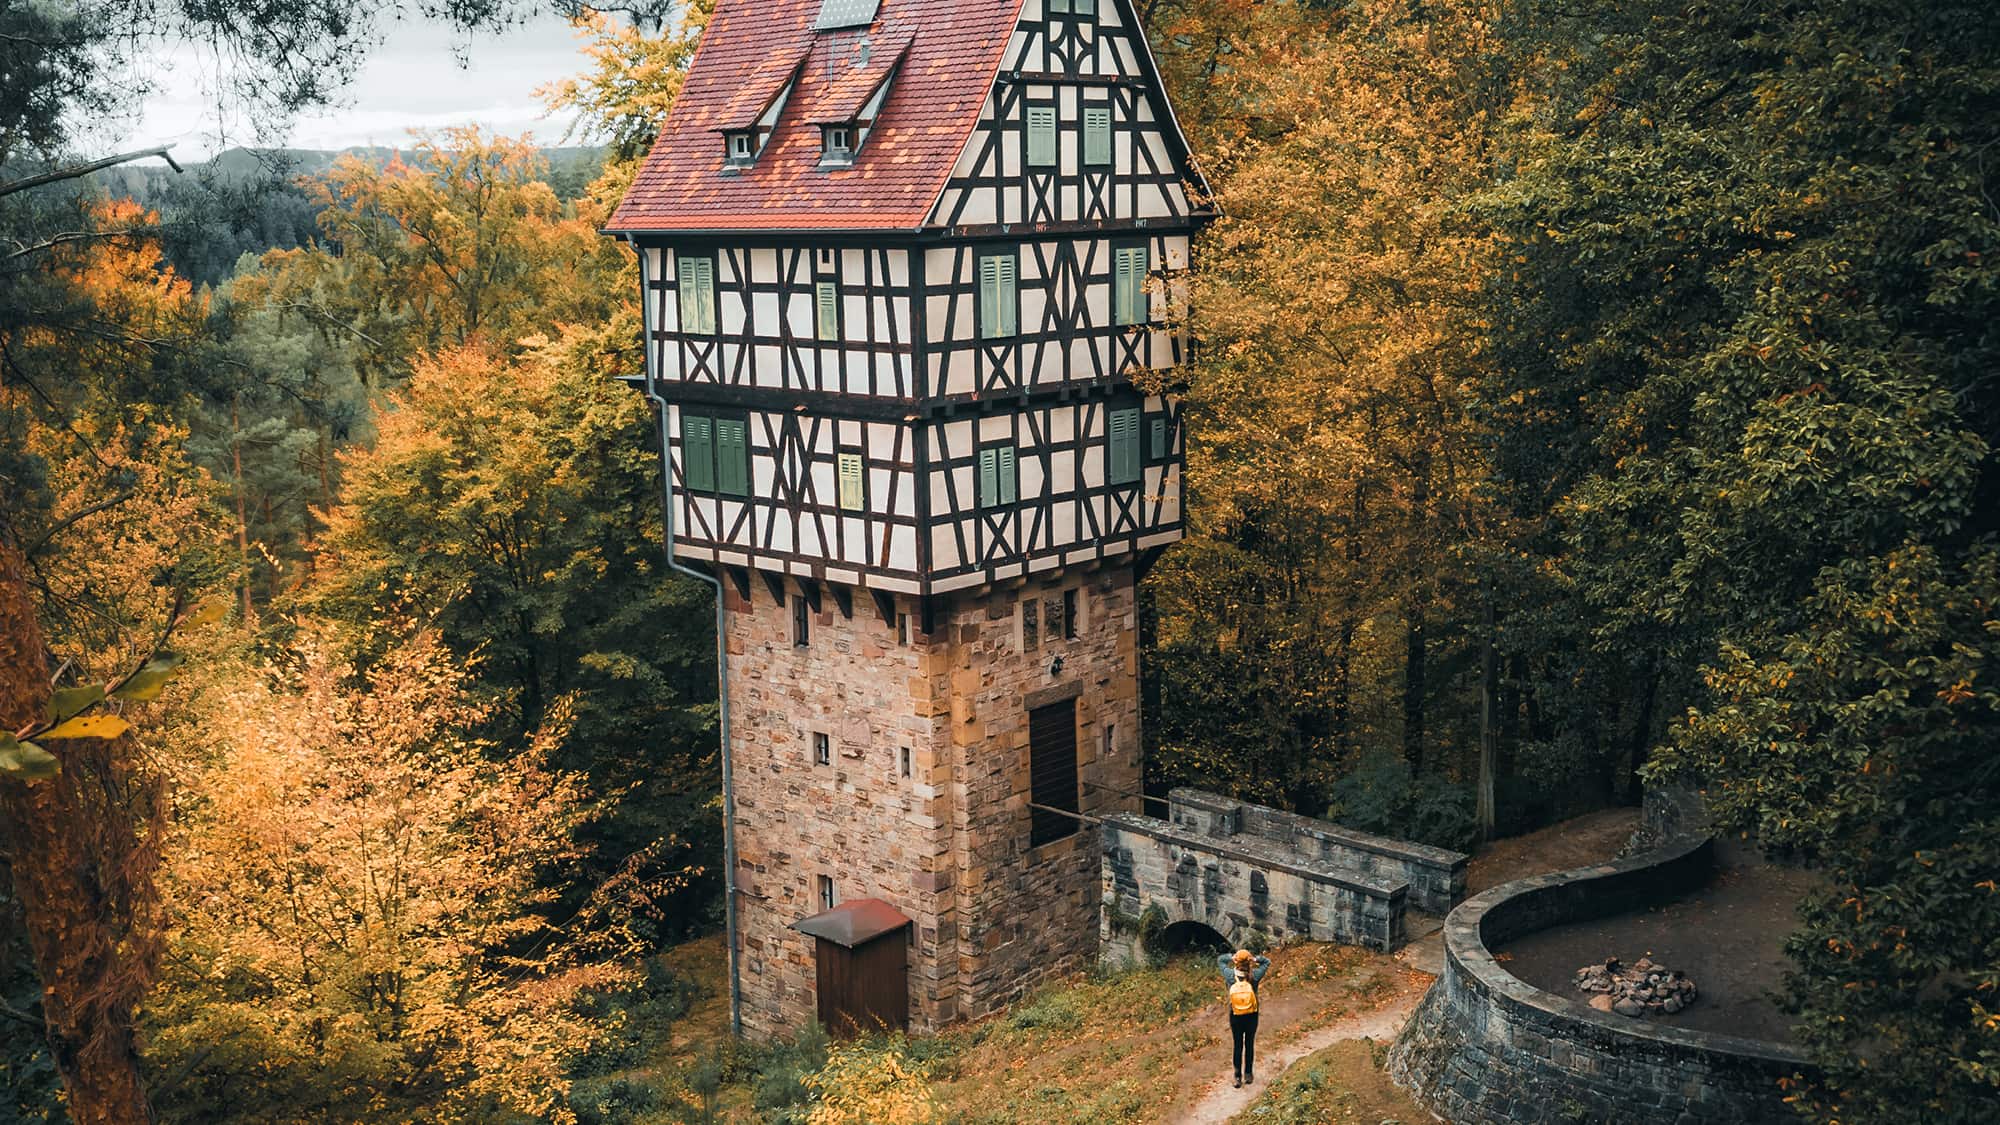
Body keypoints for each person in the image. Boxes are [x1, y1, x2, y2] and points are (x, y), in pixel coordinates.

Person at [1216, 947, 1270, 1088]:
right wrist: (1255, 959)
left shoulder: (1229, 975)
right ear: (1249, 962)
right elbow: (1267, 962)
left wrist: (1230, 956)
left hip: (1235, 1015)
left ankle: (1237, 1076)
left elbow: (1220, 960)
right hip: (1252, 1014)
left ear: (1236, 962)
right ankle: (1248, 1074)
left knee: (1238, 1044)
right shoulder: (1255, 976)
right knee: (1249, 1043)